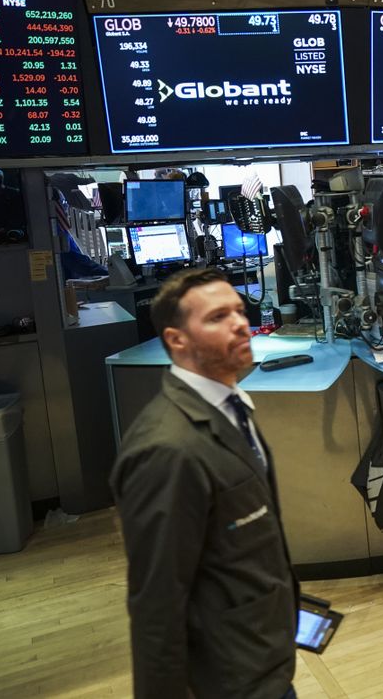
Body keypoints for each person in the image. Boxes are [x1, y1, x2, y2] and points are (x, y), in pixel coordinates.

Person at [110, 268, 299, 699]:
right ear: (177, 340)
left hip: (260, 658)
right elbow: (157, 602)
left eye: (238, 310)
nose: (240, 323)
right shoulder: (168, 450)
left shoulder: (231, 407)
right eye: (217, 317)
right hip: (225, 680)